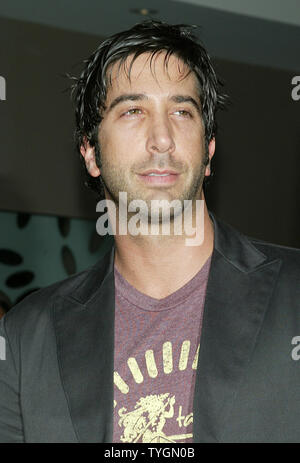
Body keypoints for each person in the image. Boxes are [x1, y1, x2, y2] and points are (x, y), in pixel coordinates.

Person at [0, 20, 299, 444]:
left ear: (208, 150)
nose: (162, 139)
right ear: (90, 153)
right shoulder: (27, 338)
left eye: (182, 111)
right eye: (133, 111)